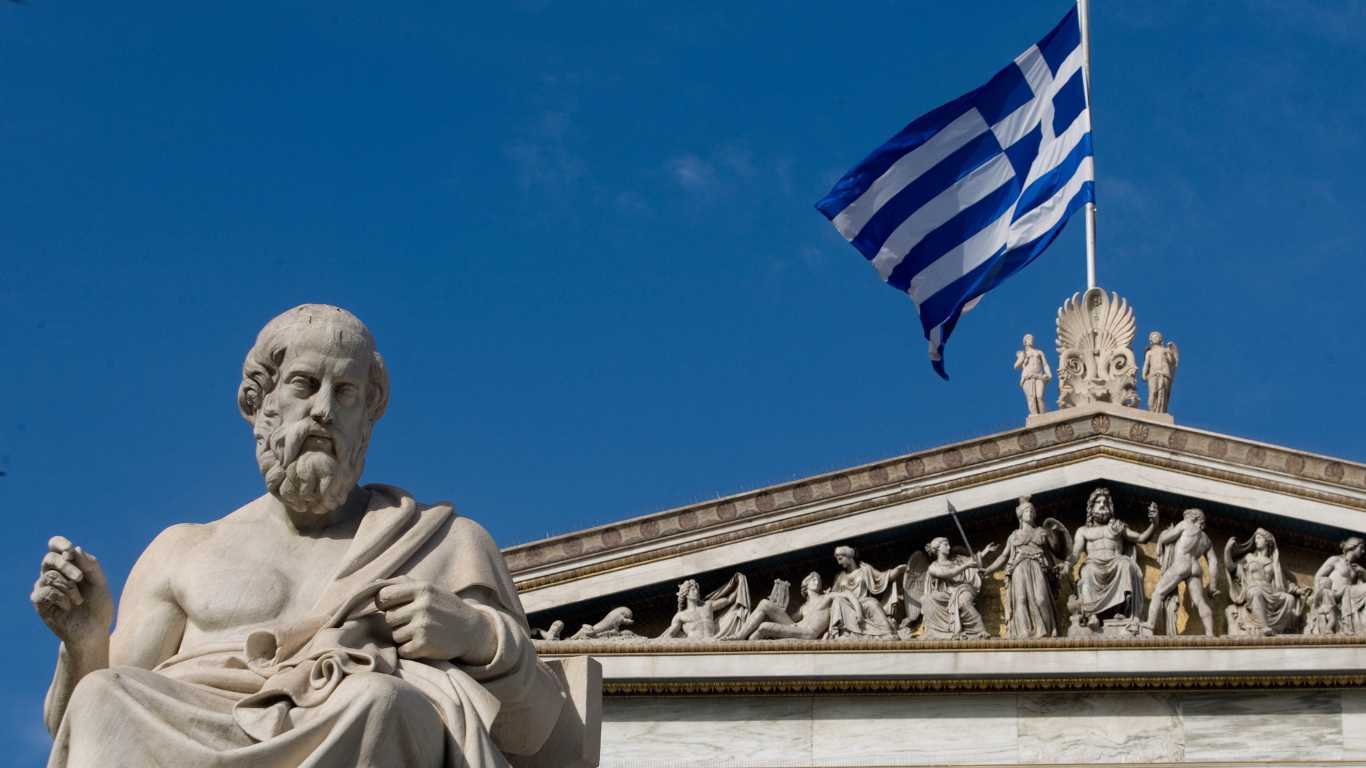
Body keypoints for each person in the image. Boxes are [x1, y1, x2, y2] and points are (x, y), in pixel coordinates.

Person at [30, 305, 564, 768]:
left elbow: (535, 731)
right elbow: (82, 725)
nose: (324, 410)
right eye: (305, 385)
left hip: (349, 729)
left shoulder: (445, 543)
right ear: (259, 403)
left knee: (382, 704)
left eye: (346, 392)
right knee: (103, 691)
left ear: (367, 416)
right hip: (196, 732)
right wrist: (82, 640)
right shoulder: (184, 549)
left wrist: (475, 636)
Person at [1068, 488, 1158, 630]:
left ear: (1110, 507)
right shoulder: (1083, 531)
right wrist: (1067, 564)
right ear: (1091, 508)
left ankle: (1120, 611)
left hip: (1115, 562)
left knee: (1124, 563)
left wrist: (1154, 524)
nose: (1102, 504)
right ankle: (1092, 615)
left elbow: (1141, 538)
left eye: (1105, 502)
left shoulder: (1118, 527)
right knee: (1088, 571)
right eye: (1098, 502)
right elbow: (1075, 553)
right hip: (1094, 564)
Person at [982, 497, 1067, 638]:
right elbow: (1003, 556)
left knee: (1041, 599)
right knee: (1020, 600)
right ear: (1020, 514)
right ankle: (1024, 633)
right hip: (1019, 568)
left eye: (1032, 510)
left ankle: (1046, 633)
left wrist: (1056, 533)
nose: (1030, 512)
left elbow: (1055, 551)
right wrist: (988, 569)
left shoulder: (1041, 532)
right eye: (1027, 510)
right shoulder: (1014, 536)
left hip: (1037, 566)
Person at [1147, 508, 1220, 636]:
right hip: (1196, 567)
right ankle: (1210, 633)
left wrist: (1160, 540)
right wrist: (1213, 585)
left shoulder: (1185, 525)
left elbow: (1167, 538)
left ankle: (1150, 625)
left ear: (1194, 518)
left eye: (1187, 516)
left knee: (1158, 593)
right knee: (1199, 601)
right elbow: (1214, 562)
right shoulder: (1206, 540)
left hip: (1182, 563)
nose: (1185, 518)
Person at [1224, 528, 1304, 636]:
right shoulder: (1249, 557)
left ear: (1267, 541)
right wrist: (1227, 550)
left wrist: (1298, 590)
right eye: (1256, 538)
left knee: (1289, 599)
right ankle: (1263, 626)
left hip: (1270, 592)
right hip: (1253, 588)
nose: (1256, 541)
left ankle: (1278, 630)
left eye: (1259, 538)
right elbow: (1231, 567)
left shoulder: (1274, 563)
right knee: (1256, 592)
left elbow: (1284, 583)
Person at [919, 537, 996, 640]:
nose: (949, 547)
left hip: (964, 588)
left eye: (948, 544)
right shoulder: (933, 566)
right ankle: (939, 632)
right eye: (945, 545)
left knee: (963, 600)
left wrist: (985, 551)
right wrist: (965, 566)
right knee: (927, 599)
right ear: (938, 548)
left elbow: (973, 560)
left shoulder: (957, 559)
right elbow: (948, 574)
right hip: (948, 593)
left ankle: (979, 631)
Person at [732, 573, 843, 640]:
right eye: (813, 580)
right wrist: (782, 605)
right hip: (796, 627)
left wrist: (859, 613)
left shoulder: (826, 597)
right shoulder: (804, 607)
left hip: (808, 632)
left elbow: (846, 595)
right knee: (764, 603)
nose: (817, 581)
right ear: (805, 586)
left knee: (763, 627)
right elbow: (788, 619)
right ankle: (740, 636)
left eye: (818, 580)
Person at [831, 545, 906, 638]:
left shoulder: (865, 570)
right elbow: (833, 595)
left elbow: (884, 577)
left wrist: (898, 570)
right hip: (847, 607)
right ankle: (843, 633)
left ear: (849, 556)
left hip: (864, 603)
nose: (839, 563)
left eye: (840, 558)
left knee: (873, 603)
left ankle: (889, 633)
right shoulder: (840, 577)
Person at [656, 574, 751, 640]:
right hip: (694, 645)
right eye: (693, 589)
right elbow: (670, 635)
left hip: (712, 640)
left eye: (697, 589)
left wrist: (740, 584)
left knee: (734, 613)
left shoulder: (708, 605)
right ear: (686, 594)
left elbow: (729, 600)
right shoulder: (680, 616)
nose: (697, 591)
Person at [1310, 537, 1366, 635]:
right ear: (1352, 547)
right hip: (1335, 594)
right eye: (1361, 548)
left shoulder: (1356, 569)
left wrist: (1364, 572)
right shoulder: (1335, 560)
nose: (1363, 551)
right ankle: (1346, 624)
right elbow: (1318, 576)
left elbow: (1357, 585)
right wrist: (1317, 599)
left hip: (1348, 595)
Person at [1013, 334, 1052, 415]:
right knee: (1031, 398)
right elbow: (1016, 366)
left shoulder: (1039, 352)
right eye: (1029, 339)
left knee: (1039, 396)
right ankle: (1035, 416)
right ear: (1025, 342)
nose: (1031, 340)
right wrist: (1023, 358)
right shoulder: (1023, 354)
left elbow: (1045, 364)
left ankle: (1043, 416)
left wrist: (1048, 373)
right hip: (1028, 377)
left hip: (1039, 376)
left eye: (1031, 339)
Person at [1142, 331, 1178, 414]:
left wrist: (1171, 353)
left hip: (1165, 374)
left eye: (1157, 337)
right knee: (1153, 393)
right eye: (1153, 337)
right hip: (1153, 374)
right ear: (1150, 340)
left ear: (1160, 339)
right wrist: (1144, 374)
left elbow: (1171, 362)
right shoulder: (1149, 352)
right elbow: (1146, 364)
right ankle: (1151, 411)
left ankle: (1161, 412)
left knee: (1163, 394)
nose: (1155, 338)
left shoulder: (1165, 350)